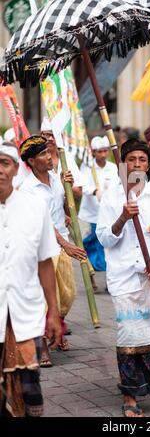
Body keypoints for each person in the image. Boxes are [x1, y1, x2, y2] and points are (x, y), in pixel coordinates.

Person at [96, 138, 150, 418]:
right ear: (123, 164)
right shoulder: (112, 196)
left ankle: (145, 382)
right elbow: (103, 236)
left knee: (144, 333)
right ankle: (130, 396)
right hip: (123, 277)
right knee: (127, 334)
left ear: (149, 164)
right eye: (132, 160)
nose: (137, 164)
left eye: (142, 160)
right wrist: (122, 218)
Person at [0, 143, 61, 417]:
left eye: (5, 163)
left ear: (15, 169)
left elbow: (45, 261)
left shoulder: (35, 207)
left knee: (29, 386)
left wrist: (54, 312)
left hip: (27, 311)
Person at [20, 136, 86, 362]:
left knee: (67, 295)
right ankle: (43, 346)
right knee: (45, 300)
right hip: (42, 249)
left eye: (49, 152)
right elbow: (44, 222)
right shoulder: (28, 189)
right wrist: (66, 245)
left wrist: (71, 193)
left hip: (61, 243)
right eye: (43, 154)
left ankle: (55, 326)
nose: (49, 157)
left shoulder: (56, 180)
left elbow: (65, 208)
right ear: (31, 161)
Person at [79, 136, 119, 291]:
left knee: (108, 249)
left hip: (107, 215)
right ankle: (91, 281)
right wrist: (94, 191)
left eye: (105, 151)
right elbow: (82, 185)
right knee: (87, 249)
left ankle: (110, 282)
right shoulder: (87, 167)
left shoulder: (113, 167)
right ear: (94, 152)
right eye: (100, 151)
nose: (103, 154)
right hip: (89, 215)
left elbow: (118, 186)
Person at [40, 117, 85, 201]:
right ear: (41, 135)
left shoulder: (67, 158)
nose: (50, 139)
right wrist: (63, 188)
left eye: (54, 135)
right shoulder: (35, 159)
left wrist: (65, 186)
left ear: (60, 137)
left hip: (63, 212)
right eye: (47, 135)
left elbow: (78, 193)